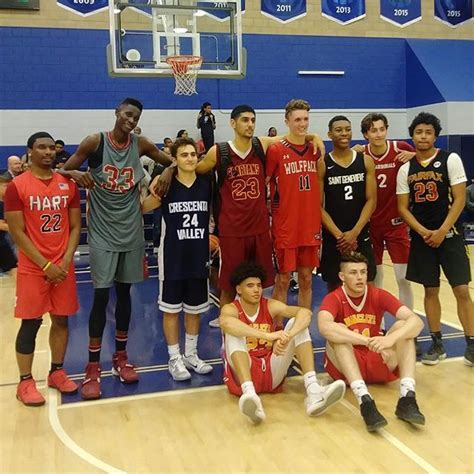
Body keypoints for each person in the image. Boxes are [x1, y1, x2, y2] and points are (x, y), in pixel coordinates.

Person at [153, 105, 325, 328]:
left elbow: (292, 135)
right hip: (232, 229)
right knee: (228, 284)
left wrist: (315, 135)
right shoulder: (219, 151)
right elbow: (194, 168)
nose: (250, 124)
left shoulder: (260, 145)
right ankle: (227, 326)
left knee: (260, 284)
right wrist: (168, 169)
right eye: (245, 120)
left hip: (259, 227)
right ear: (233, 123)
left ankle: (258, 322)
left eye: (253, 120)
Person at [60, 97, 172, 400]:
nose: (131, 120)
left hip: (132, 230)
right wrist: (74, 174)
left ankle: (120, 357)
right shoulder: (95, 142)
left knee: (125, 296)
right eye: (127, 114)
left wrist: (167, 172)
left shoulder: (141, 144)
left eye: (135, 117)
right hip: (101, 232)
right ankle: (92, 366)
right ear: (116, 113)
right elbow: (61, 171)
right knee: (99, 297)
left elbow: (171, 161)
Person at [5, 132, 81, 406]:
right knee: (31, 323)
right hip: (34, 267)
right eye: (42, 148)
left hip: (62, 265)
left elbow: (75, 227)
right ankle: (25, 381)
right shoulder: (17, 186)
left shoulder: (67, 185)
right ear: (30, 151)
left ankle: (56, 371)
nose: (48, 152)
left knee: (61, 320)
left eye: (51, 148)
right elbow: (17, 231)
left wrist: (64, 260)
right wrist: (45, 264)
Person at [220, 262, 345, 423]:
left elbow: (305, 313)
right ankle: (249, 394)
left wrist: (287, 336)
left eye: (258, 285)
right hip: (245, 371)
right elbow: (226, 324)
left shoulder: (269, 305)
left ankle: (313, 391)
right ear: (239, 289)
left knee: (296, 323)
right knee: (233, 334)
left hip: (272, 372)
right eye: (250, 286)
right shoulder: (231, 309)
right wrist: (268, 336)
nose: (256, 290)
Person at [397, 112, 474, 366]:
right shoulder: (406, 169)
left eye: (428, 132)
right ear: (413, 135)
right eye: (419, 132)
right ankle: (437, 342)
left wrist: (442, 230)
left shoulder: (450, 159)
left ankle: (471, 344)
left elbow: (460, 199)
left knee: (462, 290)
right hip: (423, 239)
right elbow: (403, 208)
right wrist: (423, 232)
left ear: (435, 136)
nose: (423, 136)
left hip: (450, 236)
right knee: (430, 290)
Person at [318, 252, 425, 432]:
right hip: (347, 365)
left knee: (403, 327)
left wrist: (390, 339)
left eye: (363, 272)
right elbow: (323, 327)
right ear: (342, 277)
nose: (359, 277)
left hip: (378, 359)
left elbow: (417, 322)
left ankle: (407, 396)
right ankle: (365, 401)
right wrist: (366, 341)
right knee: (338, 333)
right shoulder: (334, 298)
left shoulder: (378, 294)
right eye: (353, 273)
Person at [143, 138, 213, 381]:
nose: (190, 158)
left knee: (195, 310)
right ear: (174, 159)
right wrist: (154, 186)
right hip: (172, 256)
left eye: (193, 154)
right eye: (184, 155)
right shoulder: (166, 185)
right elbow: (144, 207)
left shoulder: (206, 184)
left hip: (199, 256)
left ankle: (191, 354)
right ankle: (174, 357)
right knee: (171, 310)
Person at [356, 113, 415, 310]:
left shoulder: (401, 148)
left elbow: (430, 157)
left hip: (396, 224)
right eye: (374, 130)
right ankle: (377, 325)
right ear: (366, 134)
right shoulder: (361, 154)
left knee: (403, 277)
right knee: (376, 277)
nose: (379, 134)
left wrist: (414, 156)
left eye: (382, 129)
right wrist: (351, 152)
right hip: (371, 225)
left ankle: (408, 324)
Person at [266, 99, 321, 310]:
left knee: (306, 278)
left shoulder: (315, 149)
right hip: (285, 226)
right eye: (297, 119)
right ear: (287, 121)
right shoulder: (276, 150)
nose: (302, 124)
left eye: (306, 119)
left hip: (309, 225)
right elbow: (264, 183)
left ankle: (303, 329)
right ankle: (278, 328)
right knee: (283, 279)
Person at [317, 116, 377, 292]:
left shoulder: (365, 161)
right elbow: (317, 206)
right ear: (330, 134)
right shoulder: (322, 164)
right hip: (334, 237)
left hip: (360, 234)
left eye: (347, 129)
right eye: (339, 130)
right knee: (335, 288)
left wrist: (355, 232)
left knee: (367, 284)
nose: (344, 133)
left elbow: (371, 200)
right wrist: (340, 236)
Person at [0, 175, 17, 277]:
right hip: (1, 243)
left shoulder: (4, 203)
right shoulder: (0, 204)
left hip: (3, 241)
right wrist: (17, 230)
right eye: (5, 186)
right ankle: (21, 291)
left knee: (13, 266)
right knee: (13, 267)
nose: (7, 189)